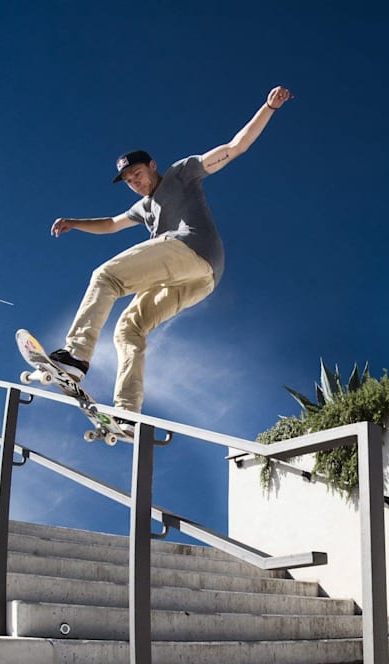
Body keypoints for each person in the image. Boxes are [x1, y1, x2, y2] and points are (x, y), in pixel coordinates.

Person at [43, 85, 294, 417]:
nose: (136, 182)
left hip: (191, 250)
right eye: (130, 180)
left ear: (151, 165)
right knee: (128, 329)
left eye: (138, 174)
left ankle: (75, 356)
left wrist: (268, 107)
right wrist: (75, 222)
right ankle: (127, 414)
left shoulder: (181, 174)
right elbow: (111, 224)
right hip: (199, 282)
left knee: (107, 277)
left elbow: (235, 148)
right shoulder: (142, 208)